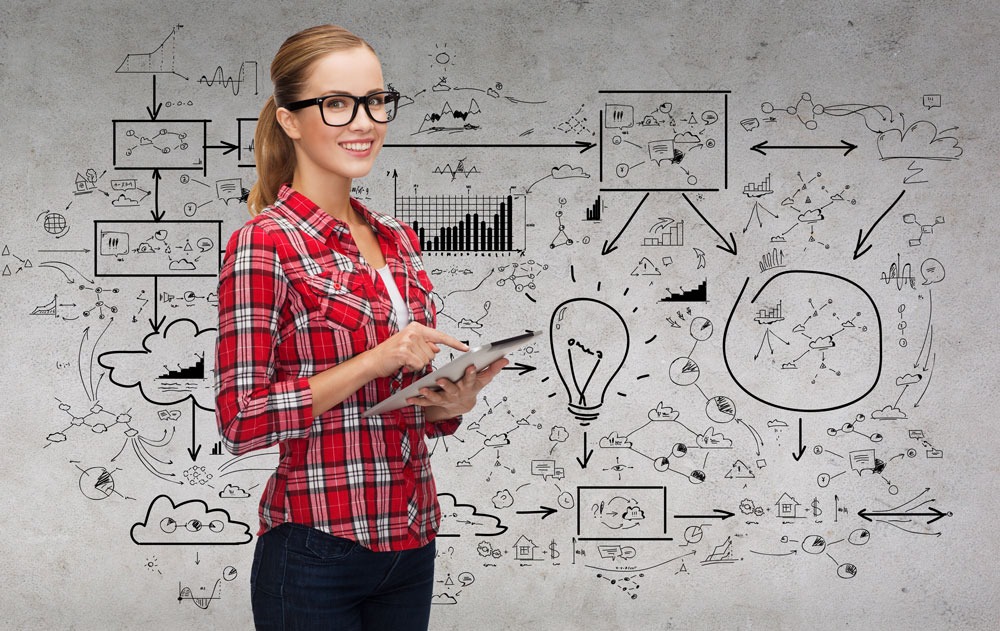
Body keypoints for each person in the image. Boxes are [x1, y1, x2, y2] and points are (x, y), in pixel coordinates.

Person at [214, 24, 507, 630]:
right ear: (290, 119)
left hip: (411, 536)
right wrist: (375, 360)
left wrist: (449, 400)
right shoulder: (263, 245)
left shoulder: (396, 238)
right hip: (318, 544)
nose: (365, 121)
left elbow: (392, 404)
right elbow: (241, 419)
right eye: (337, 103)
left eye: (376, 101)